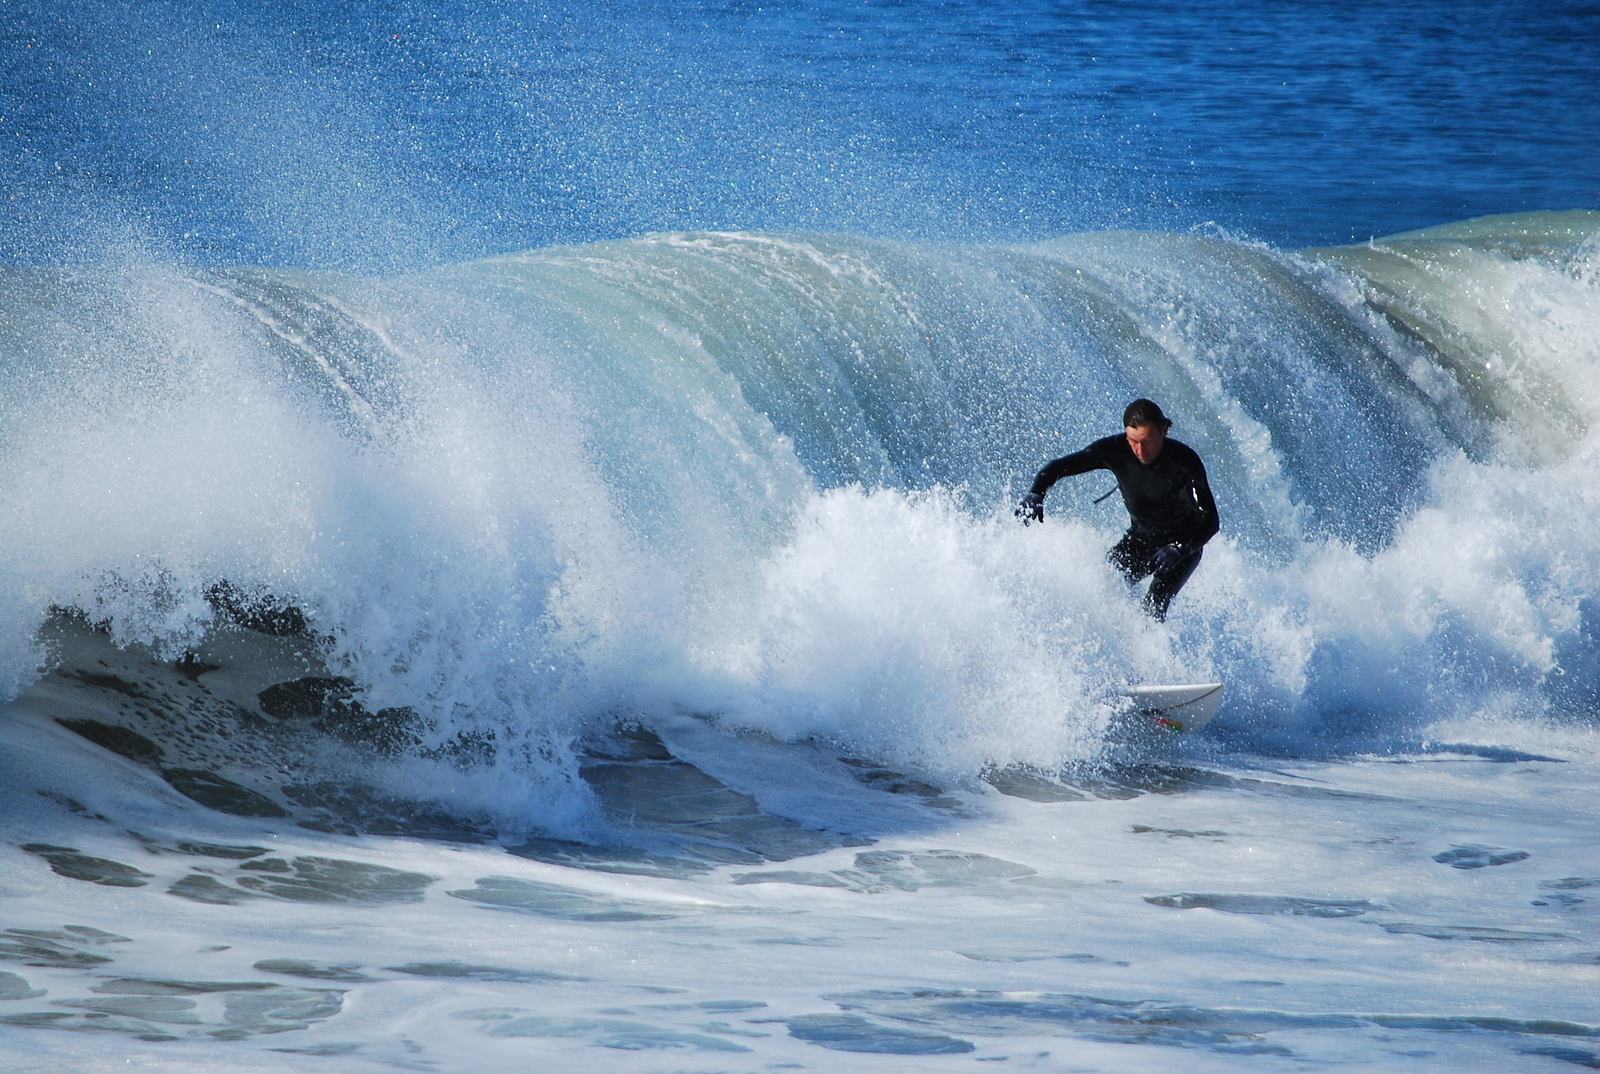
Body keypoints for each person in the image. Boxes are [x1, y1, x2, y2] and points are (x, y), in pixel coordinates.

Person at [1016, 398, 1219, 621]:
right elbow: (1058, 467)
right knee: (1100, 587)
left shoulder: (1184, 461)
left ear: (1164, 430)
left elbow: (1210, 520)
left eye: (1147, 441)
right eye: (1133, 441)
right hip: (1141, 540)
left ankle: (1150, 653)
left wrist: (1180, 549)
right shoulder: (1116, 450)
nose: (1140, 450)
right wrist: (1036, 492)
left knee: (1154, 607)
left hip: (1180, 548)